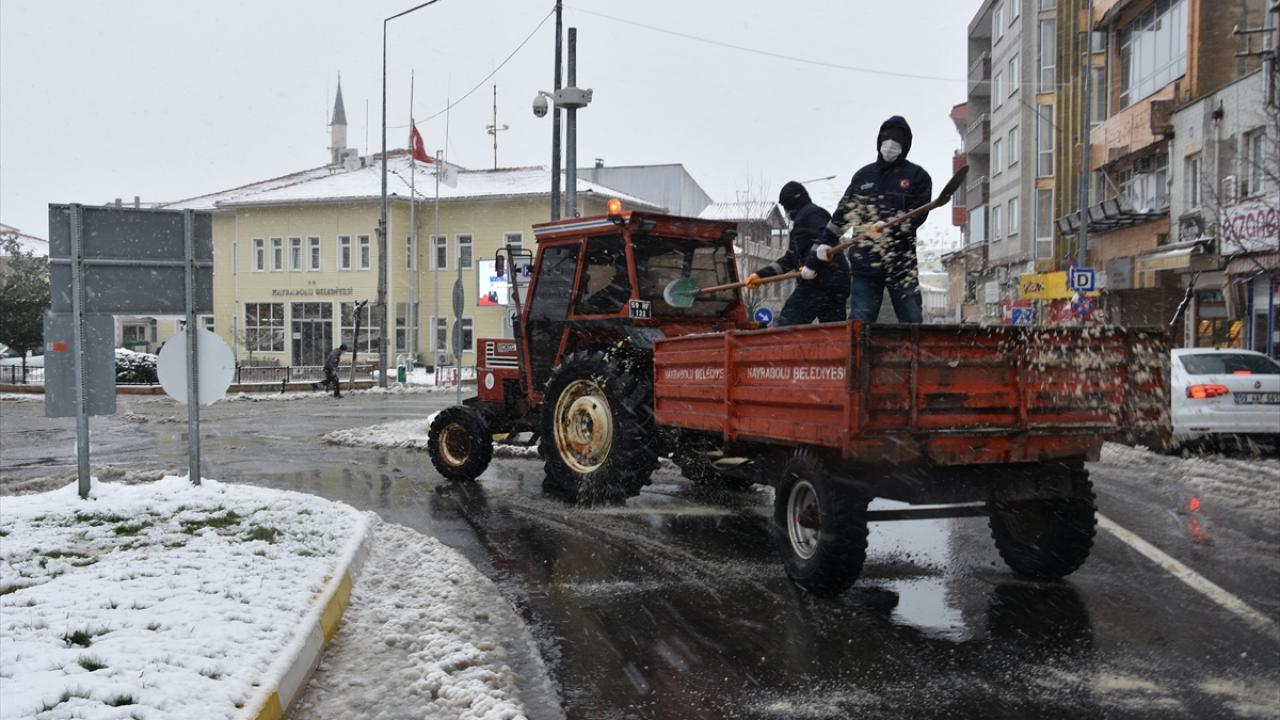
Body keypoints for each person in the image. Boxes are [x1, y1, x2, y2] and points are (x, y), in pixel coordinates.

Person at [819, 115, 932, 323]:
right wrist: (826, 241)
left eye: (897, 142)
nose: (890, 146)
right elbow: (844, 213)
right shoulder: (863, 176)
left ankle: (914, 353)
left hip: (901, 263)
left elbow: (918, 214)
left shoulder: (918, 177)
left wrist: (892, 225)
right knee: (860, 321)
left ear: (905, 146)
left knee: (911, 318)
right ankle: (859, 355)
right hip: (865, 263)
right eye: (887, 140)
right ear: (879, 141)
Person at [745, 181, 850, 326]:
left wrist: (811, 265)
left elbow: (825, 240)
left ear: (790, 204)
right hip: (833, 283)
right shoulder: (801, 222)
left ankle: (786, 348)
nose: (785, 213)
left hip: (822, 282)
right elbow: (790, 259)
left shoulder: (813, 214)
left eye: (784, 207)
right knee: (833, 332)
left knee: (789, 323)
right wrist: (761, 275)